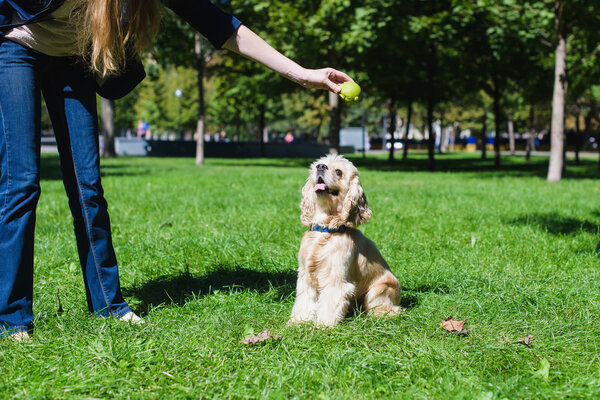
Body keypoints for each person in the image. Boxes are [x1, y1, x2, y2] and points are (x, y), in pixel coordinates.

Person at [0, 0, 352, 340]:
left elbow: (219, 24)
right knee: (21, 184)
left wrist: (301, 74)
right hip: (16, 43)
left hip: (73, 59)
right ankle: (13, 319)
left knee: (87, 187)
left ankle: (109, 305)